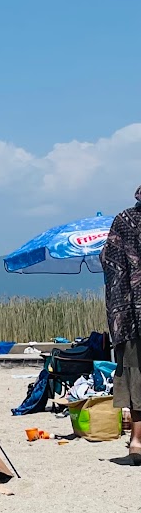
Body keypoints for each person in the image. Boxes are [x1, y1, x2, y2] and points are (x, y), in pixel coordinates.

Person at [102, 185, 141, 465]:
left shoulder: (124, 221)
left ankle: (137, 440)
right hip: (131, 318)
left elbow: (110, 263)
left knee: (137, 376)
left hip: (130, 315)